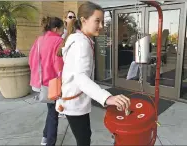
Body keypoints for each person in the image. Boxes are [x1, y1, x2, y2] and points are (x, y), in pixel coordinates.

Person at [55, 2, 131, 146]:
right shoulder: (81, 43)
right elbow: (80, 77)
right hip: (74, 103)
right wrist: (107, 97)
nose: (101, 26)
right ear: (84, 20)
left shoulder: (81, 39)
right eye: (97, 21)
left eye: (102, 21)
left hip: (74, 101)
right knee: (84, 140)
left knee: (84, 137)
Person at [29, 17, 64, 146]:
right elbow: (59, 64)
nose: (63, 31)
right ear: (55, 29)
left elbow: (31, 60)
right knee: (54, 113)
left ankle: (45, 137)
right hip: (53, 82)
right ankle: (49, 142)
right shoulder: (59, 41)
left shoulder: (39, 40)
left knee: (51, 110)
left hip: (40, 82)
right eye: (62, 29)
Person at [58, 10, 76, 118]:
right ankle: (62, 108)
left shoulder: (74, 32)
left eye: (74, 17)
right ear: (65, 18)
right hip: (62, 65)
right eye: (70, 17)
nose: (72, 18)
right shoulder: (63, 33)